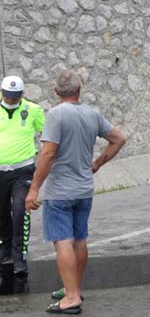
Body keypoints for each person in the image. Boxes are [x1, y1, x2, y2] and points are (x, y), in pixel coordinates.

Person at [25, 70, 127, 314]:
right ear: (79, 90)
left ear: (56, 92)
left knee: (63, 242)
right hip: (83, 190)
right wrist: (98, 162)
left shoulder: (56, 115)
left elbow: (48, 153)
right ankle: (74, 288)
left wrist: (34, 189)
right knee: (79, 240)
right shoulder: (92, 113)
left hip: (60, 191)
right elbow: (119, 138)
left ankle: (71, 297)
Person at [0, 76, 45, 279]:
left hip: (23, 170)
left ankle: (19, 255)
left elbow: (47, 133)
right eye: (8, 96)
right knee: (2, 213)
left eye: (15, 97)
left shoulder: (33, 110)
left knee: (20, 210)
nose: (11, 100)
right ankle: (6, 249)